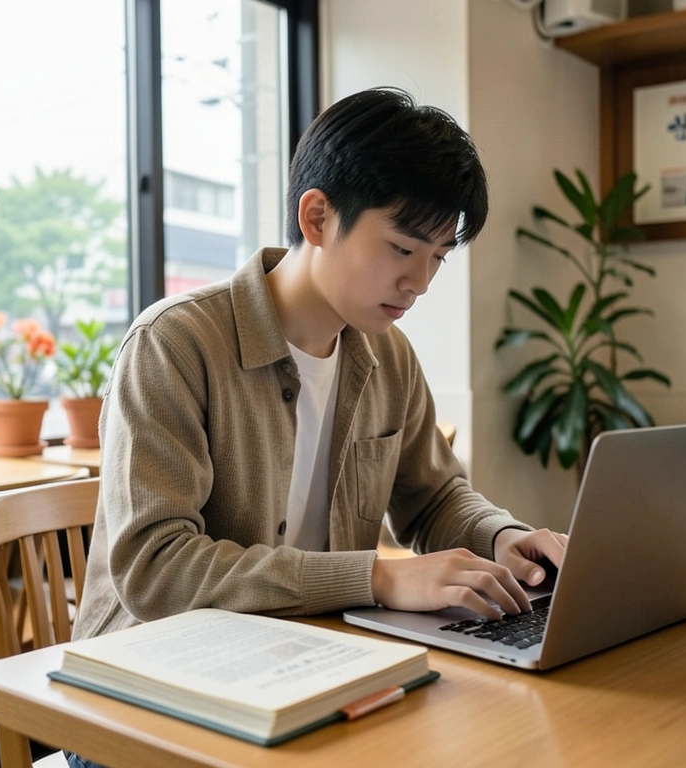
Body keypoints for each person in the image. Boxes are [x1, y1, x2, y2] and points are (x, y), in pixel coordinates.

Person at [72, 87, 566, 648]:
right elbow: (157, 569)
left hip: (303, 652)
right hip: (153, 668)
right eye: (403, 250)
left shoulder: (390, 355)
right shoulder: (173, 344)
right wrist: (375, 577)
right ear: (317, 217)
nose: (420, 283)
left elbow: (433, 498)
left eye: (437, 259)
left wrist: (499, 537)